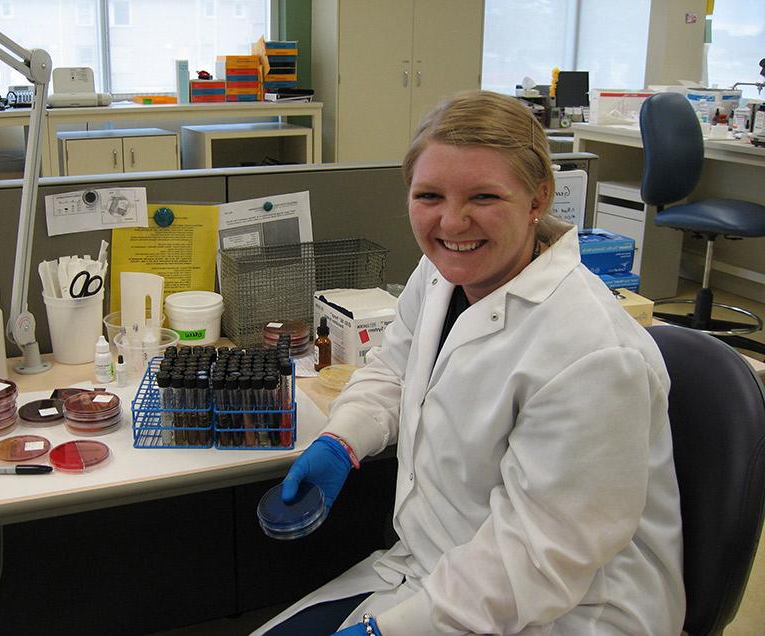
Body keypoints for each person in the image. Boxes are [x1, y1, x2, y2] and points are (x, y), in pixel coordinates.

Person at [254, 90, 685, 635]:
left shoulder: (594, 354)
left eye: (483, 196)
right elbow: (395, 367)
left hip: (566, 611)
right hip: (435, 569)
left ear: (537, 199)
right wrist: (343, 439)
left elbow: (536, 557)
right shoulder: (442, 273)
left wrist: (388, 632)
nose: (452, 223)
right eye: (429, 194)